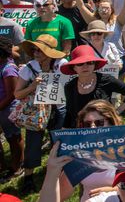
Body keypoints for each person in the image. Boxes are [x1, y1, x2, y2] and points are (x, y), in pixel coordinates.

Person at [38, 100, 123, 201]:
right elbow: (59, 196)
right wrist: (52, 171)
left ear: (112, 123)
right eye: (87, 124)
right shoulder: (80, 156)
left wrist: (115, 190)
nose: (92, 128)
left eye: (99, 123)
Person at [15, 35, 67, 191]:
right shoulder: (29, 68)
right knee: (32, 143)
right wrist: (32, 87)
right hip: (36, 112)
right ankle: (28, 178)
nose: (36, 53)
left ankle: (58, 174)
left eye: (40, 50)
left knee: (58, 142)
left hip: (59, 109)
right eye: (34, 50)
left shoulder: (62, 65)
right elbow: (17, 94)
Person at [61, 45, 125, 128]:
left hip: (104, 129)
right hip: (80, 132)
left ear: (94, 65)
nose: (85, 66)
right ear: (74, 67)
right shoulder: (69, 86)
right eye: (80, 64)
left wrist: (116, 113)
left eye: (90, 62)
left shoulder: (106, 80)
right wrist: (64, 134)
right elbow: (69, 113)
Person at [0, 39, 22, 181]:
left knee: (14, 139)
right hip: (2, 107)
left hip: (8, 109)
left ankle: (17, 166)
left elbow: (11, 94)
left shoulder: (8, 69)